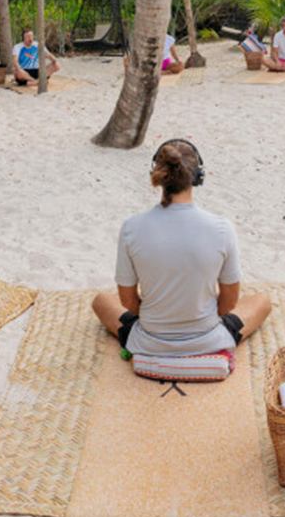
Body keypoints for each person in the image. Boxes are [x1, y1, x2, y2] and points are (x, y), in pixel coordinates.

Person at [92, 139, 271, 357]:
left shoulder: (131, 227)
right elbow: (229, 303)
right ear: (198, 176)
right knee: (262, 301)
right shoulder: (222, 228)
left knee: (101, 301)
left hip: (149, 342)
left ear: (157, 174)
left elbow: (128, 302)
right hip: (209, 340)